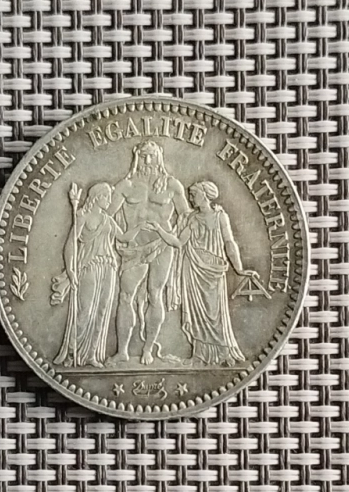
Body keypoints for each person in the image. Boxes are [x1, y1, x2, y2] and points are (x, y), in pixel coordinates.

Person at [144, 181, 253, 366]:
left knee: (216, 313)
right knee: (196, 314)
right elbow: (179, 243)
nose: (191, 198)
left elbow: (229, 243)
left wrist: (239, 268)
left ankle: (224, 352)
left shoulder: (220, 217)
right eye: (190, 195)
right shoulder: (192, 219)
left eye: (193, 194)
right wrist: (159, 230)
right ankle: (199, 355)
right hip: (193, 270)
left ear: (205, 194)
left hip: (213, 271)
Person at [106, 140, 190, 365]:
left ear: (160, 156)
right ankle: (122, 351)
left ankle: (148, 349)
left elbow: (186, 217)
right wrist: (119, 237)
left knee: (155, 294)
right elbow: (108, 216)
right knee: (125, 296)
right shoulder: (125, 186)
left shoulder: (172, 185)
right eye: (143, 155)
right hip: (134, 248)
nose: (148, 160)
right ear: (137, 156)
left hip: (162, 246)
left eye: (152, 155)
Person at [51, 183, 141, 367]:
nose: (109, 200)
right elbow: (70, 244)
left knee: (102, 311)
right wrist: (70, 270)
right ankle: (73, 353)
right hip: (89, 266)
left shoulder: (108, 219)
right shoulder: (82, 215)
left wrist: (141, 226)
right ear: (98, 197)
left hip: (108, 267)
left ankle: (91, 355)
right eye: (107, 196)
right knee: (85, 311)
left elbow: (123, 238)